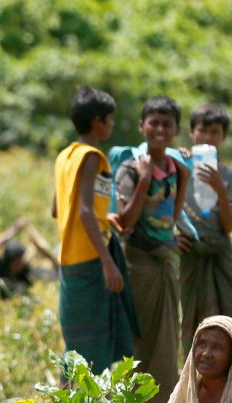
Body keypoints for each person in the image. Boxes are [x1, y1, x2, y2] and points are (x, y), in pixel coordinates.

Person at [112, 96, 192, 403]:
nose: (159, 129)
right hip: (138, 264)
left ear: (176, 129)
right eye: (153, 123)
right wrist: (145, 181)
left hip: (163, 262)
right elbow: (125, 222)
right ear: (141, 126)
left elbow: (172, 216)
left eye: (166, 124)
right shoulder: (131, 170)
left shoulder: (177, 169)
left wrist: (169, 241)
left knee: (166, 340)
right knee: (140, 339)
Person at [52, 86, 137, 374]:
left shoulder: (65, 157)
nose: (112, 124)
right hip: (90, 259)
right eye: (110, 119)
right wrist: (108, 261)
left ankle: (68, 398)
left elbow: (57, 209)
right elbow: (85, 211)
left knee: (75, 341)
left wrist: (104, 218)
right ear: (97, 121)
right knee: (94, 343)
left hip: (69, 259)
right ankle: (88, 401)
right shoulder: (91, 157)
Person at [176, 104, 232, 357]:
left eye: (214, 132)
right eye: (202, 131)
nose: (208, 137)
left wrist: (219, 188)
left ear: (223, 137)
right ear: (192, 132)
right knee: (193, 314)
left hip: (220, 250)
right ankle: (195, 373)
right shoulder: (179, 166)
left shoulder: (228, 176)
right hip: (190, 250)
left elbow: (228, 226)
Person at [0, 218, 58, 300]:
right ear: (11, 262)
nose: (21, 263)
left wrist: (48, 254)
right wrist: (13, 231)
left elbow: (50, 275)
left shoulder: (24, 270)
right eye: (18, 261)